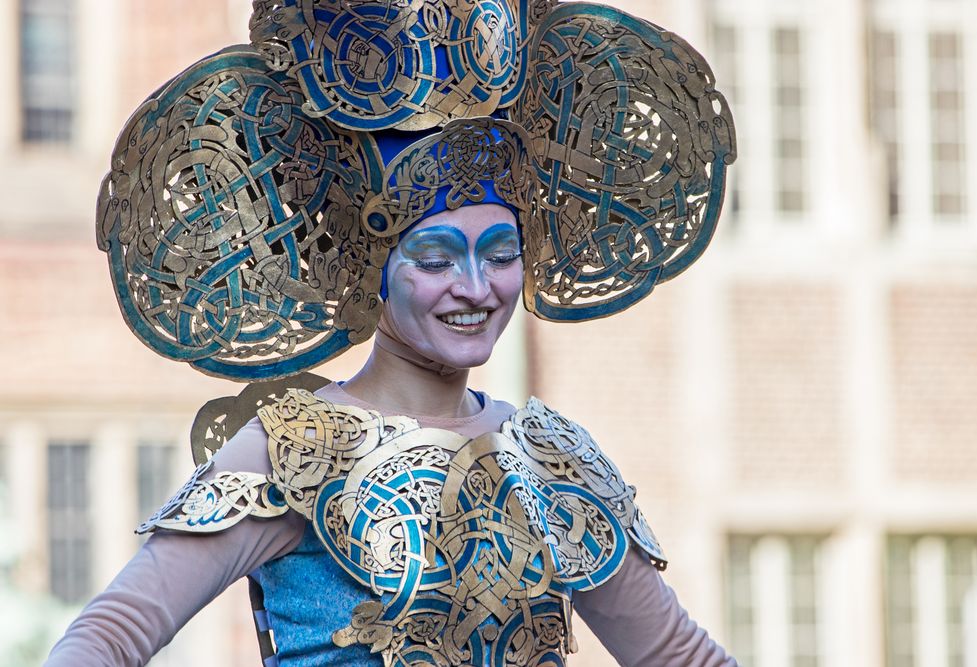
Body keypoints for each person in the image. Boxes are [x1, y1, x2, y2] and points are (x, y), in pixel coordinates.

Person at [49, 1, 738, 664]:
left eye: (500, 254)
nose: (475, 287)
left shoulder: (553, 459)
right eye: (436, 259)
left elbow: (682, 656)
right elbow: (107, 636)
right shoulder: (291, 454)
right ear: (374, 263)